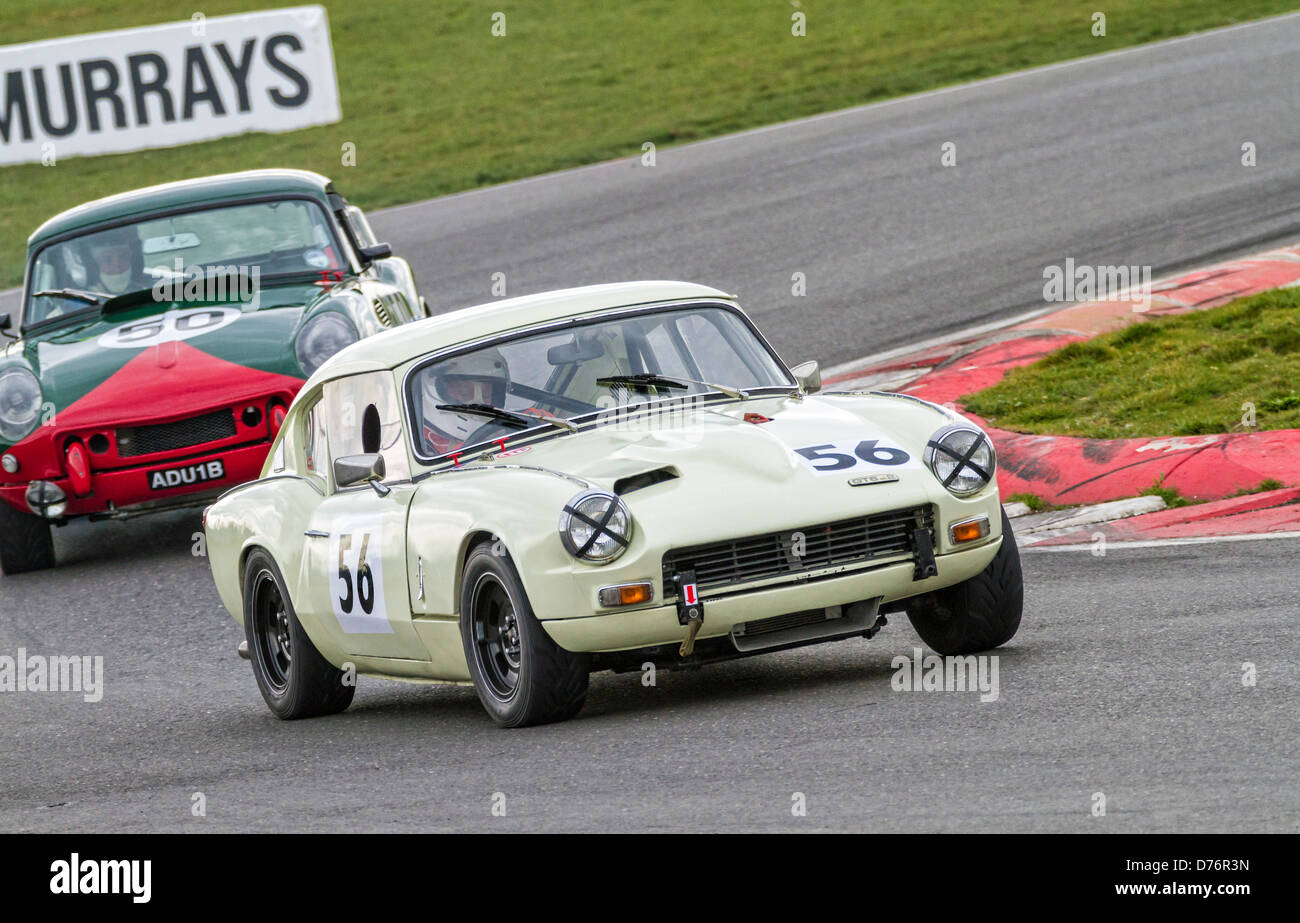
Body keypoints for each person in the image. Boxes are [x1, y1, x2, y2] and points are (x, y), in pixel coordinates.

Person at [419, 348, 512, 455]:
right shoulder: (417, 448)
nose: (480, 404)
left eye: (487, 395)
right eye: (464, 393)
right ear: (432, 392)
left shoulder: (516, 425)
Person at [82, 226, 148, 296]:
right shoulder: (80, 302)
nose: (117, 267)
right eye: (107, 260)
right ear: (93, 265)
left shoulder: (153, 289)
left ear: (133, 260)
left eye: (123, 257)